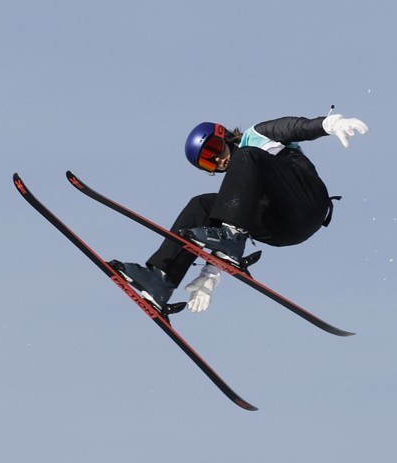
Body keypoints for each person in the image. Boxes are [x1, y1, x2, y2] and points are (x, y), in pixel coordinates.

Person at [110, 111, 369, 313]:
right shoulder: (239, 186)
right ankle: (160, 279)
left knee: (246, 156)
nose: (218, 160)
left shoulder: (254, 138)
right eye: (207, 162)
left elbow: (292, 127)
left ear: (223, 134)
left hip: (307, 201)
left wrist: (328, 125)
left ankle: (228, 242)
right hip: (283, 229)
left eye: (214, 149)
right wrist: (209, 276)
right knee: (201, 205)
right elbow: (235, 221)